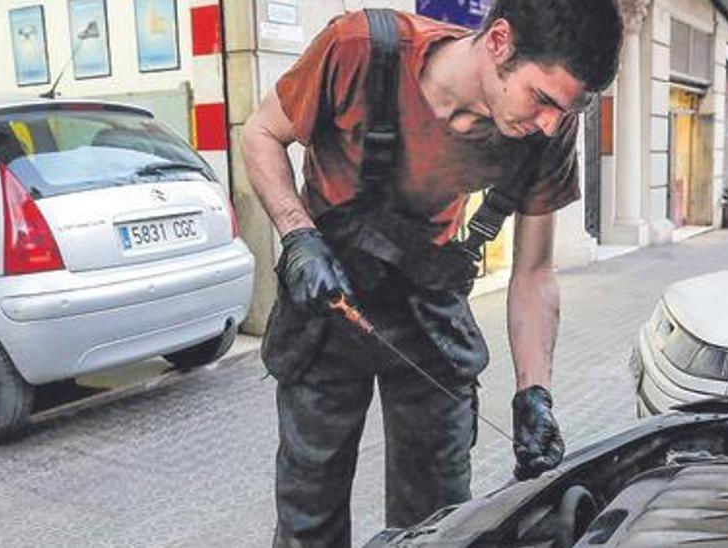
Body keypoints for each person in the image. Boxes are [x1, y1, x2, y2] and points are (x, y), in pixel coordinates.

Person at [241, 1, 623, 546]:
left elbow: (534, 272)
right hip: (327, 299)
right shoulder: (359, 49)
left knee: (440, 517)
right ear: (498, 42)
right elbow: (260, 133)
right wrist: (298, 235)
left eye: (566, 110)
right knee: (310, 509)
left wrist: (533, 394)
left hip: (428, 308)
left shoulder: (549, 129)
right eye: (542, 99)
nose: (549, 123)